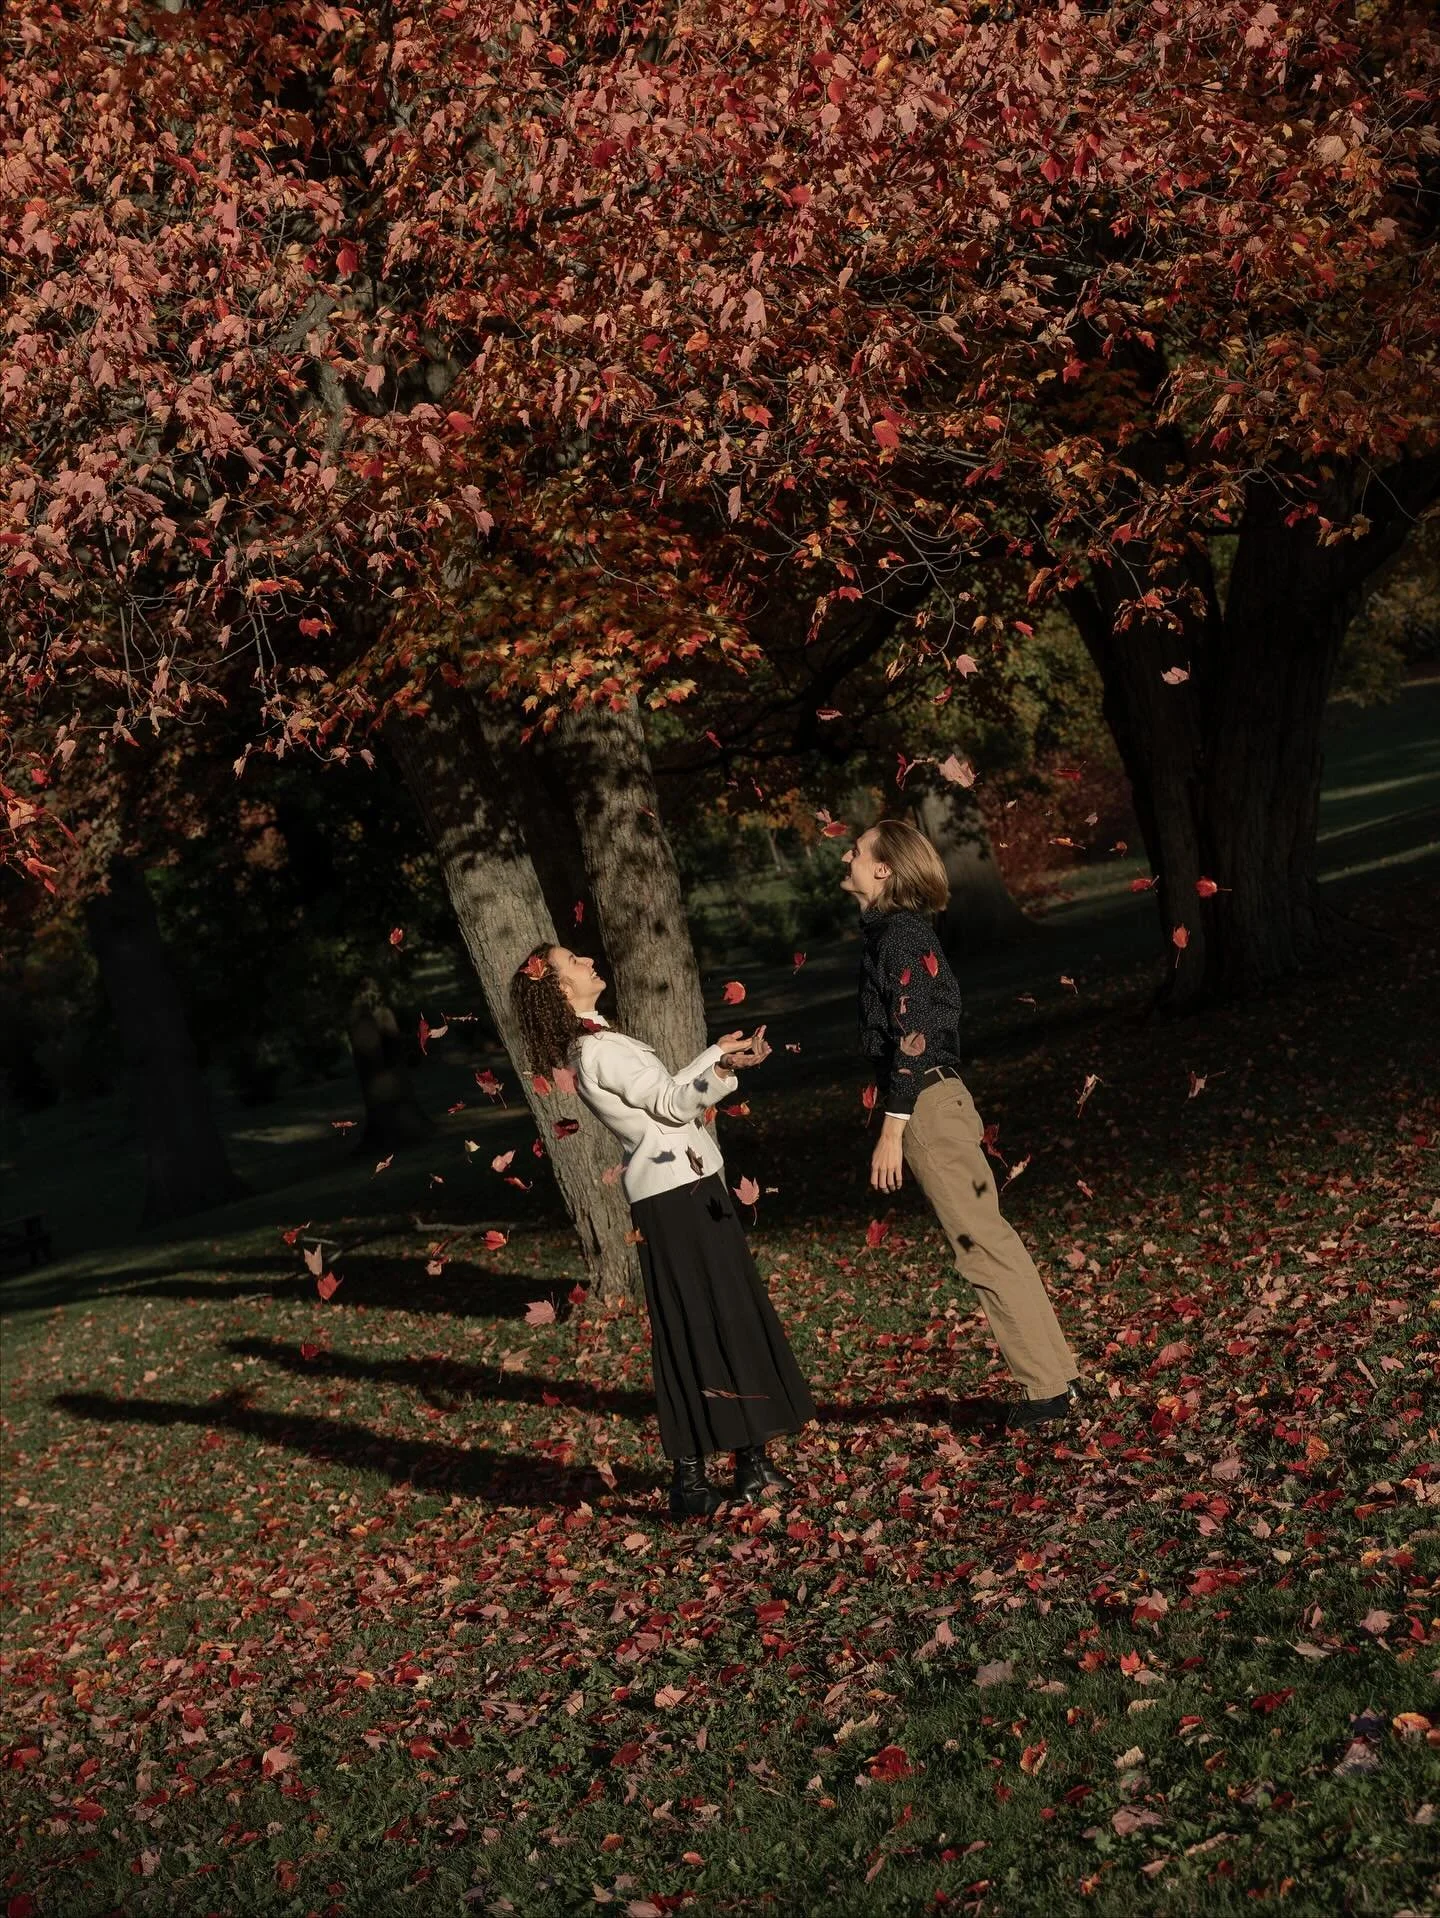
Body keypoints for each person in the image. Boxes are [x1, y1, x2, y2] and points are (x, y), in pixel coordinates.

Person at [510, 944, 816, 1516]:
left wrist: (712, 1056)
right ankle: (698, 1477)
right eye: (572, 962)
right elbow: (675, 1109)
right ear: (556, 989)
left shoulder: (594, 1044)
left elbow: (659, 1101)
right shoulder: (600, 1048)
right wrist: (723, 1070)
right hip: (681, 1198)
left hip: (683, 1191)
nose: (587, 962)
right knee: (703, 1323)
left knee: (715, 1318)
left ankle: (735, 1466)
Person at [840, 820, 1082, 1429]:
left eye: (857, 850)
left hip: (925, 1105)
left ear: (883, 868)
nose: (846, 855)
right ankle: (1058, 1379)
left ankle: (1047, 1393)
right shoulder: (894, 934)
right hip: (939, 1101)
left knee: (980, 1249)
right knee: (992, 1240)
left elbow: (913, 1037)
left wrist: (892, 1129)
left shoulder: (899, 934)